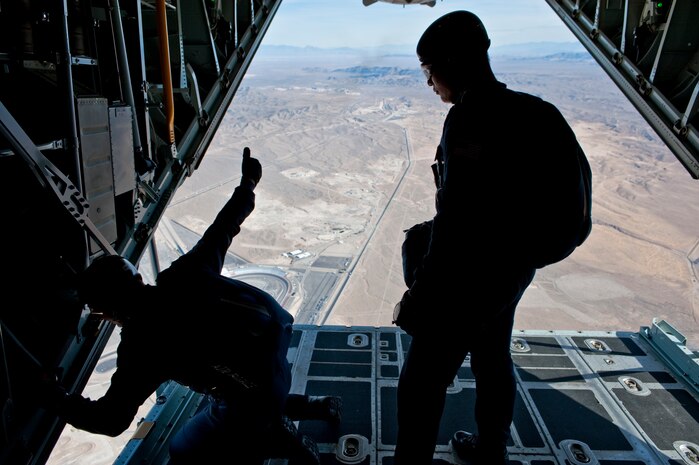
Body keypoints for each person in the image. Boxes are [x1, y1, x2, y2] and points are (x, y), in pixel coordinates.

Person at [38, 148, 341, 465]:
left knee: (186, 449)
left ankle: (291, 443)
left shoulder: (141, 347)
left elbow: (110, 421)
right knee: (248, 391)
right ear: (139, 279)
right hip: (273, 344)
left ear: (108, 313)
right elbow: (222, 229)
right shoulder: (183, 275)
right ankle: (315, 404)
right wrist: (248, 183)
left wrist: (51, 395)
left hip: (256, 386)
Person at [392, 11, 591, 465]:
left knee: (421, 380)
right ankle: (491, 451)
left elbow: (457, 225)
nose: (428, 83)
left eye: (429, 70)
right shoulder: (536, 110)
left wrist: (420, 297)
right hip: (514, 269)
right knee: (491, 358)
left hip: (471, 276)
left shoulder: (469, 120)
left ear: (453, 62)